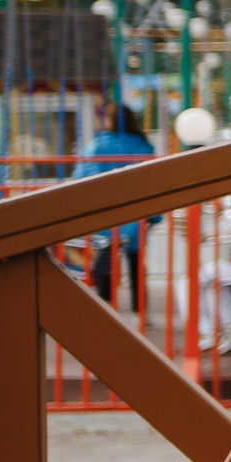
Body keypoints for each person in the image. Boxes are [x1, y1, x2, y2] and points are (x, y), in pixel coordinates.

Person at [74, 103, 156, 309]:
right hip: (137, 214)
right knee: (136, 261)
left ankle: (106, 305)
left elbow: (83, 177)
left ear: (109, 121)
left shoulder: (97, 146)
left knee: (104, 262)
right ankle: (140, 310)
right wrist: (155, 217)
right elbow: (152, 182)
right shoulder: (144, 146)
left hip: (107, 212)